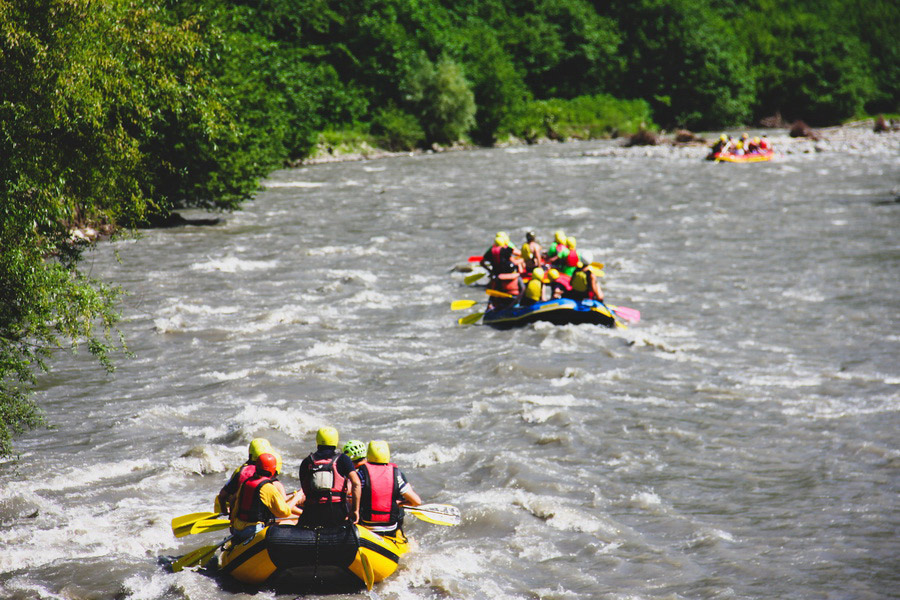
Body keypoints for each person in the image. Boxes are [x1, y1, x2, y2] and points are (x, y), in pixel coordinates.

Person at [296, 426, 361, 528]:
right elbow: (356, 483)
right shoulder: (343, 459)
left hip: (312, 511)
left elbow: (305, 488)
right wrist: (355, 510)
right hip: (337, 511)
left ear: (317, 441)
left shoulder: (307, 461)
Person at [230, 452, 302, 542]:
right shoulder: (267, 487)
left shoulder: (246, 483)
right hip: (252, 530)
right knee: (289, 523)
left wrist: (232, 524)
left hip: (237, 529)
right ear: (273, 469)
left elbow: (236, 507)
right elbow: (284, 512)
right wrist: (297, 497)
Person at [357, 440, 422, 537]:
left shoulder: (361, 474)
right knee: (398, 507)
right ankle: (401, 534)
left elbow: (350, 494)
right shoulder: (396, 475)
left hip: (367, 525)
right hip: (391, 526)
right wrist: (400, 504)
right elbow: (416, 502)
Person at [215, 437, 273, 514]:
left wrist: (225, 513)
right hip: (258, 517)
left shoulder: (240, 471)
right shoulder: (267, 471)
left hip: (239, 517)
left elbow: (222, 496)